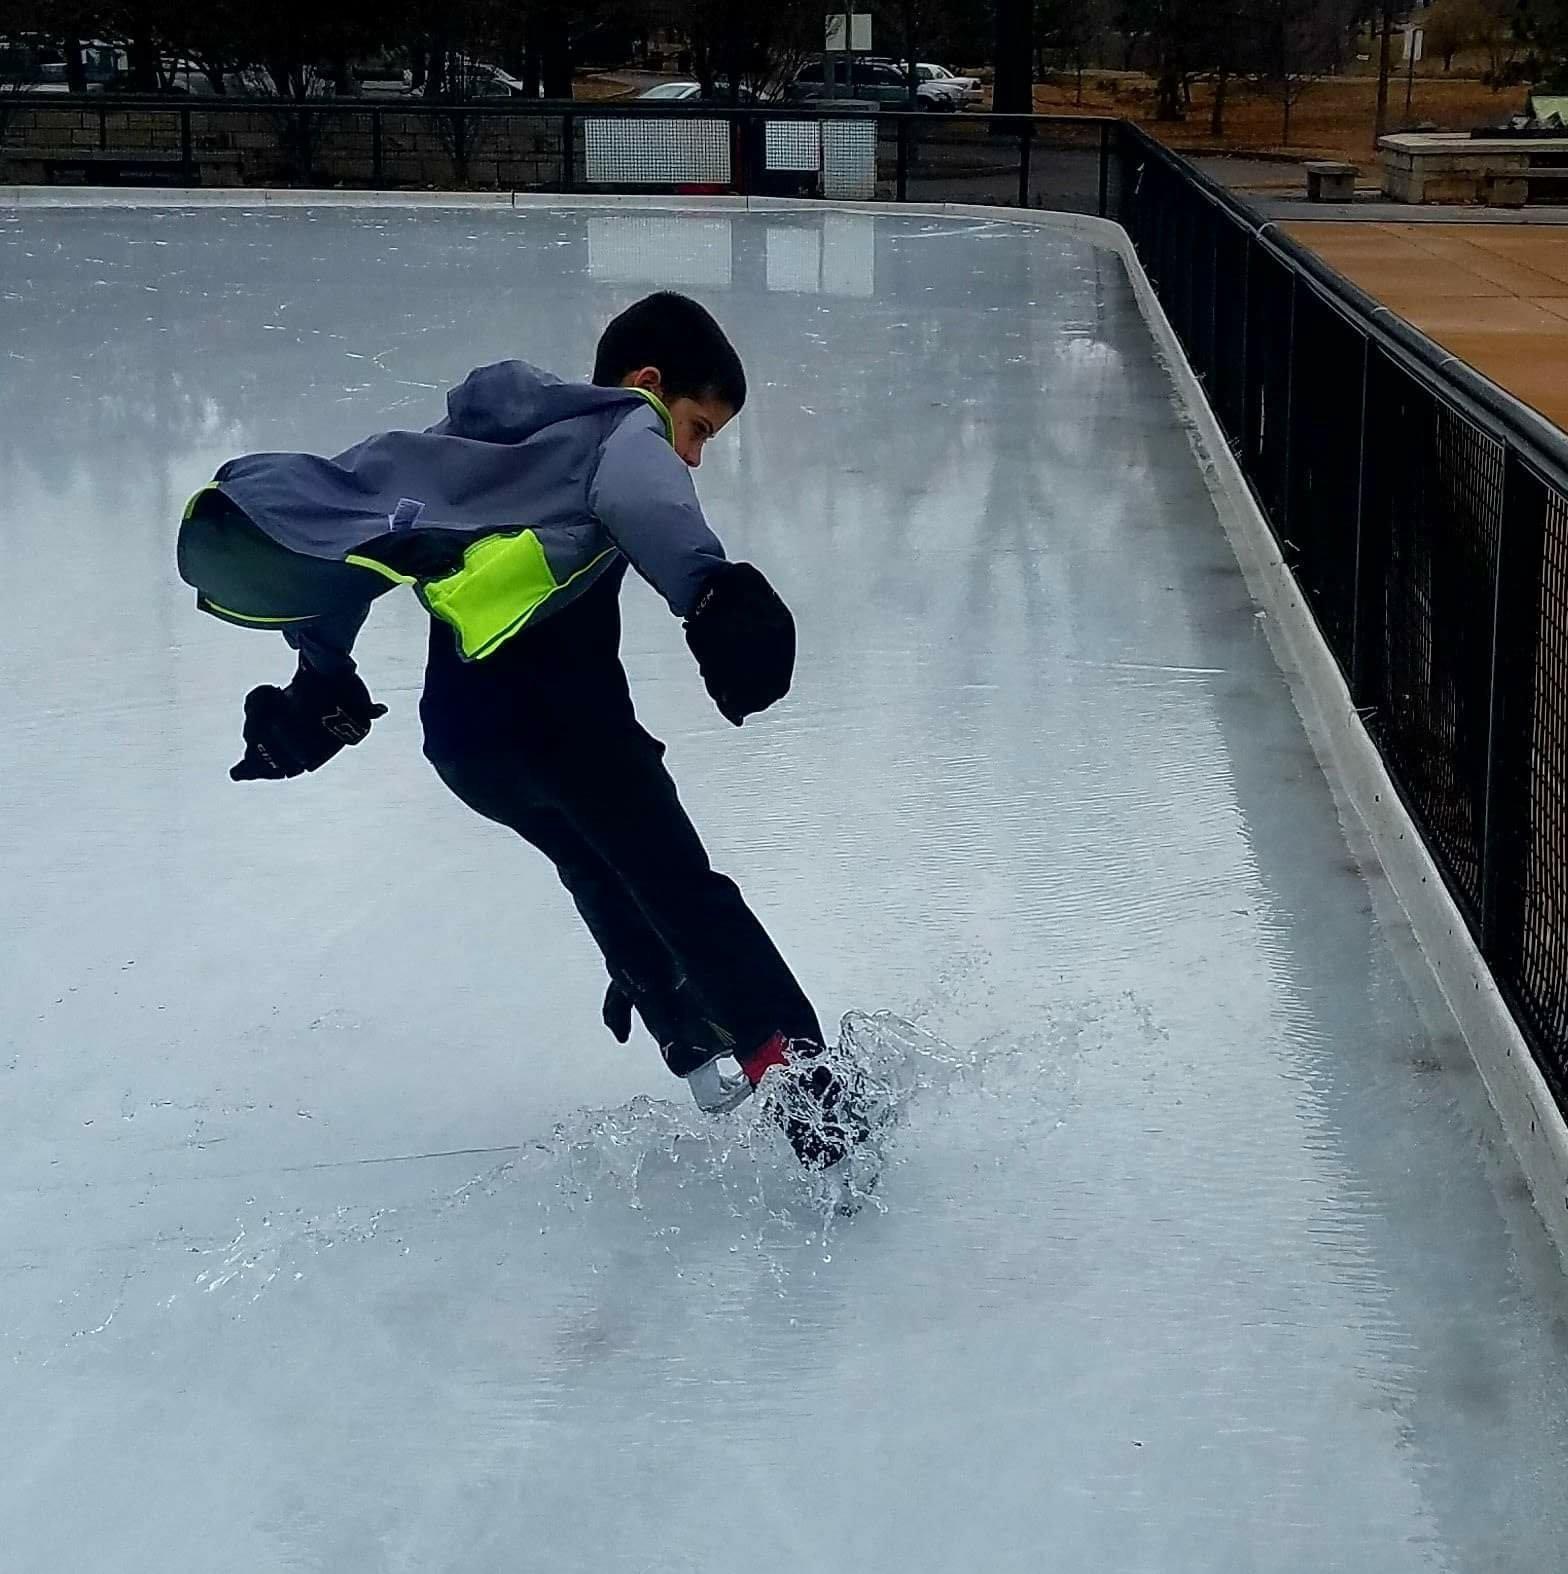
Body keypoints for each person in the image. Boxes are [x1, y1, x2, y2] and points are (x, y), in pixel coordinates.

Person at [177, 291, 859, 1166]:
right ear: (648, 385)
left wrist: (321, 680)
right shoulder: (620, 429)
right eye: (697, 428)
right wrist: (708, 590)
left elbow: (361, 534)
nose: (691, 454)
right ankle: (817, 1104)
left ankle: (690, 1045)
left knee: (597, 864)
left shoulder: (475, 451)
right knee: (683, 892)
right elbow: (640, 491)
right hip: (566, 722)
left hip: (467, 743)